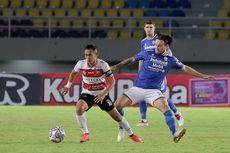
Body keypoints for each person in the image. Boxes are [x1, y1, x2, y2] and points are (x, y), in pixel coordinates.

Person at [111, 34, 215, 143]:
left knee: (166, 108)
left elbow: (185, 68)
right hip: (137, 88)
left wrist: (203, 76)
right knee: (117, 105)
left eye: (159, 45)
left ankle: (175, 133)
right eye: (156, 45)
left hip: (153, 92)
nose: (156, 47)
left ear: (166, 46)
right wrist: (116, 66)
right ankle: (122, 128)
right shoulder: (147, 52)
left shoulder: (171, 60)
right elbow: (131, 59)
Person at [59, 44, 143, 143]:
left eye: (90, 55)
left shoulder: (103, 65)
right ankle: (85, 134)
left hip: (102, 94)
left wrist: (103, 94)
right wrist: (68, 86)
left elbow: (112, 81)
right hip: (87, 93)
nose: (87, 58)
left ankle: (131, 135)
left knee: (117, 116)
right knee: (79, 108)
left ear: (96, 54)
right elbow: (73, 73)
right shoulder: (81, 64)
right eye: (85, 55)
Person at [116, 21, 184, 142]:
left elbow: (169, 54)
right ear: (144, 28)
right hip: (145, 75)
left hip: (159, 74)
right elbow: (141, 58)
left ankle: (176, 113)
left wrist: (163, 66)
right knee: (142, 96)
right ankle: (143, 120)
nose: (148, 29)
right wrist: (139, 72)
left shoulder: (159, 39)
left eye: (150, 27)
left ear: (154, 28)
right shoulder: (143, 42)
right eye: (146, 27)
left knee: (163, 99)